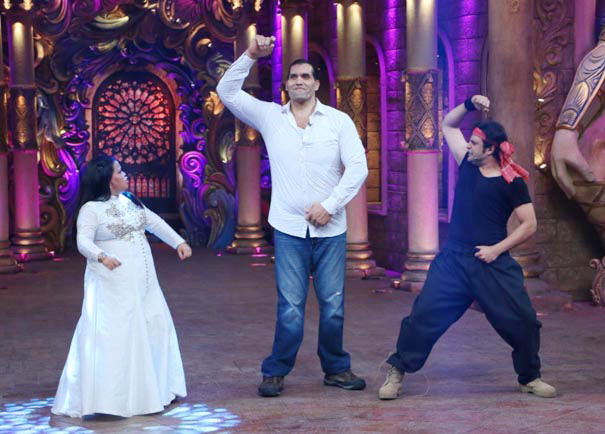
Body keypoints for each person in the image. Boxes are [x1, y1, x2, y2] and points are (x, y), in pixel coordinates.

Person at [217, 35, 368, 397]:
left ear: (316, 84)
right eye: (293, 77)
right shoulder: (271, 117)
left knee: (333, 306)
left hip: (331, 230)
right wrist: (250, 55)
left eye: (306, 76)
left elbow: (358, 167)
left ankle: (336, 369)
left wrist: (330, 205)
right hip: (288, 230)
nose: (299, 81)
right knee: (290, 308)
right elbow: (226, 91)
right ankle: (276, 370)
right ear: (286, 85)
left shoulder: (338, 122)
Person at [378, 95, 557, 400]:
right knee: (423, 317)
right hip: (454, 260)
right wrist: (470, 104)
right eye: (470, 142)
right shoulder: (468, 164)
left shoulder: (512, 182)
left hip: (492, 262)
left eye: (475, 143)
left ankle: (529, 377)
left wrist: (496, 249)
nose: (469, 146)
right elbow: (448, 125)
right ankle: (397, 370)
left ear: (490, 150)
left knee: (524, 321)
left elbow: (529, 224)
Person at [52, 155, 192, 418]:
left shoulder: (129, 201)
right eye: (119, 171)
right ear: (107, 179)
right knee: (117, 334)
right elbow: (83, 241)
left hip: (144, 281)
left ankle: (157, 390)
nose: (125, 174)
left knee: (154, 325)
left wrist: (178, 242)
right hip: (113, 283)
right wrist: (101, 255)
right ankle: (111, 401)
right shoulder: (91, 209)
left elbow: (154, 223)